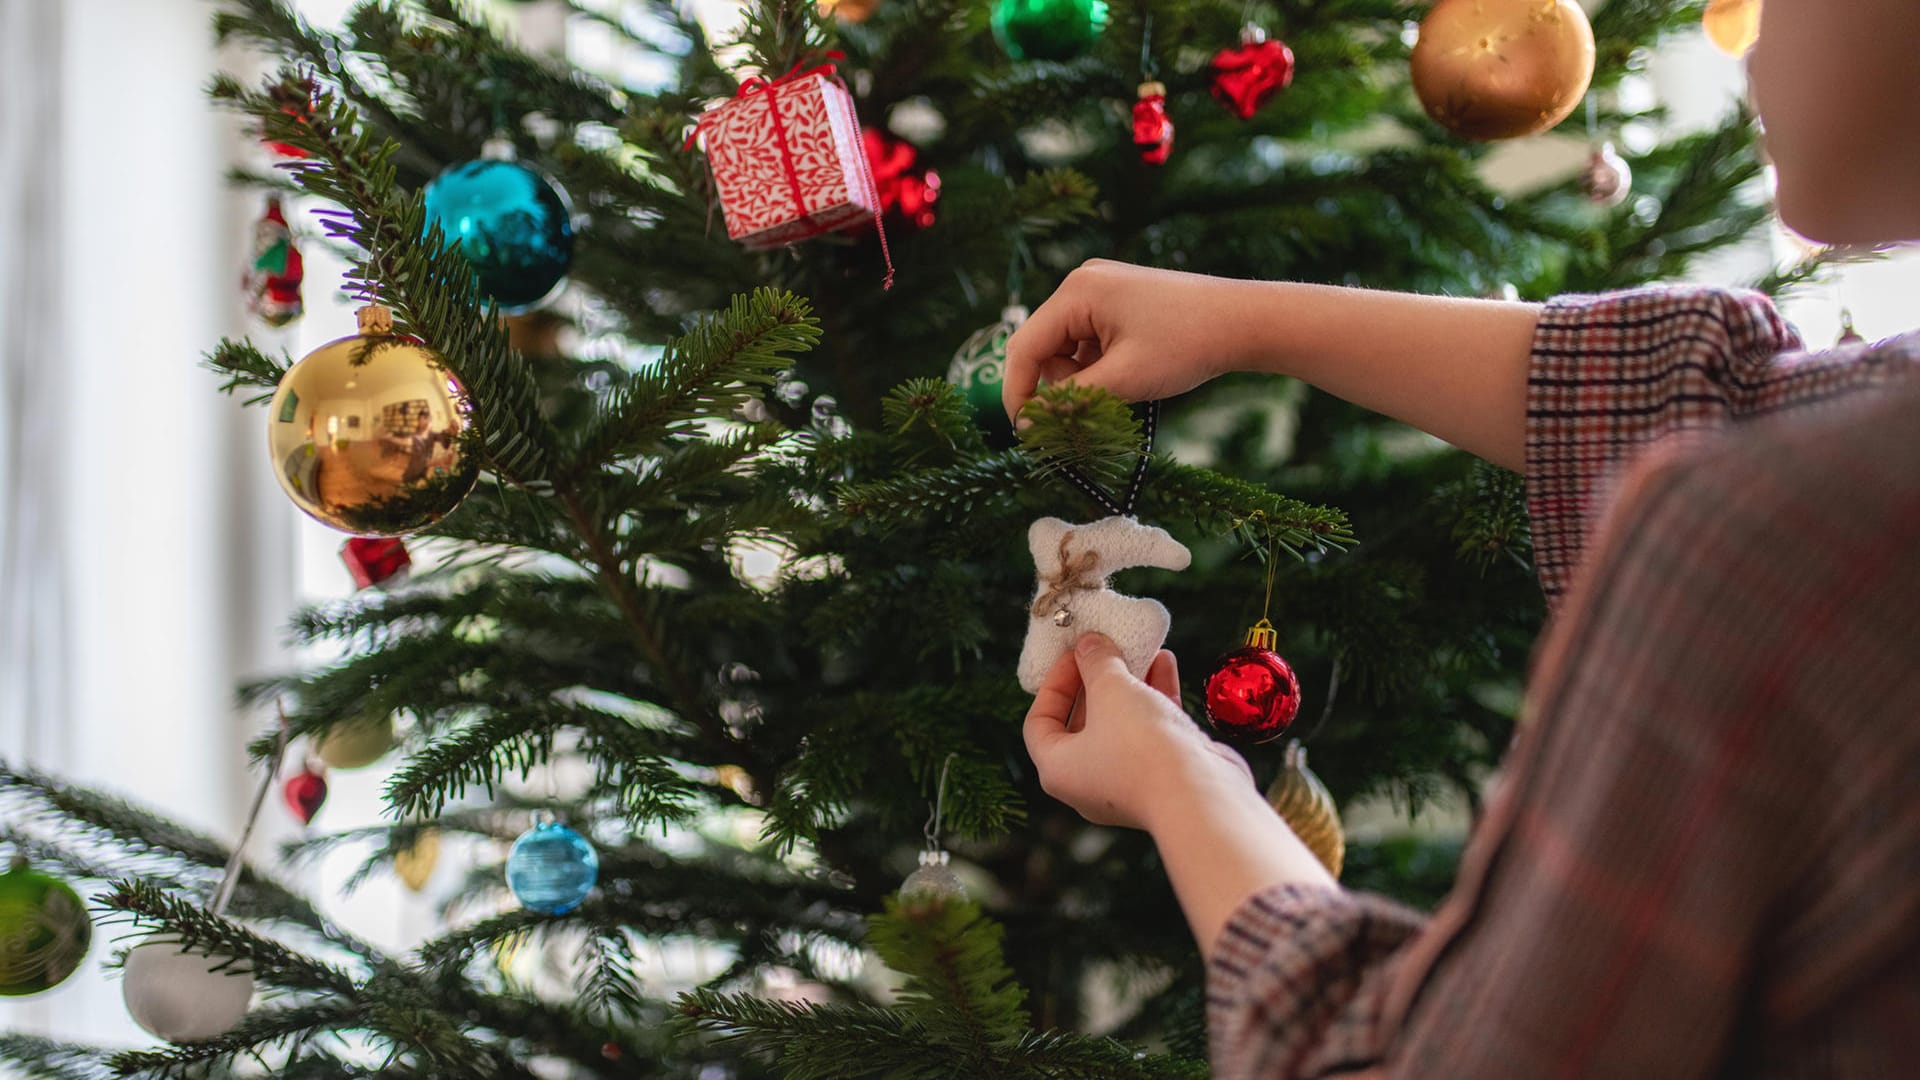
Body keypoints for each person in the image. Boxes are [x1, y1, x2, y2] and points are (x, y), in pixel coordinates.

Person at [1004, 1, 1920, 1075]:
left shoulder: (1779, 539)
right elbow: (1721, 395)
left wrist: (1183, 782)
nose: (1750, 24)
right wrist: (1246, 319)